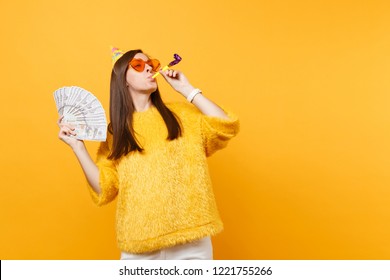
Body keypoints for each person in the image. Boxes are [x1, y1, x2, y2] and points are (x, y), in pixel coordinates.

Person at [57, 48, 239, 260]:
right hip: (138, 247)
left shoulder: (182, 115)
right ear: (123, 79)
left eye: (151, 64)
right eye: (138, 65)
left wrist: (188, 90)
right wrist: (77, 147)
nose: (148, 69)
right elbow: (104, 188)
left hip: (190, 243)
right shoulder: (116, 133)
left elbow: (226, 126)